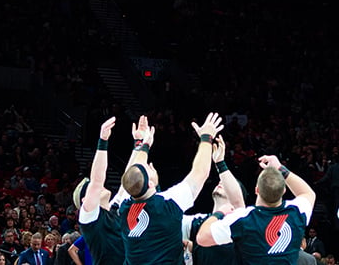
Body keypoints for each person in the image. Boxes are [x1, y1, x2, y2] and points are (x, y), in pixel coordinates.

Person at [118, 112, 224, 265]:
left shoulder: (124, 205)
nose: (148, 165)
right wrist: (206, 137)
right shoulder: (168, 203)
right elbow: (200, 173)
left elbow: (133, 173)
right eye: (147, 168)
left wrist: (143, 144)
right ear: (150, 184)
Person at [195, 154, 316, 265]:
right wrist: (280, 168)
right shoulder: (297, 212)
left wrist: (219, 213)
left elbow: (202, 238)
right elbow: (307, 193)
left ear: (257, 190)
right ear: (284, 190)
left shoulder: (244, 218)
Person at [72, 115, 154, 264]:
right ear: (85, 200)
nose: (101, 186)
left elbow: (128, 179)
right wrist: (102, 141)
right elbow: (97, 180)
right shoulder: (90, 219)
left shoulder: (114, 208)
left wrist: (139, 144)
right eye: (92, 188)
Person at [183, 135, 246, 265]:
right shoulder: (198, 222)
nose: (221, 182)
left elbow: (239, 203)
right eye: (220, 181)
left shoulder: (240, 222)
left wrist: (220, 163)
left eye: (227, 184)